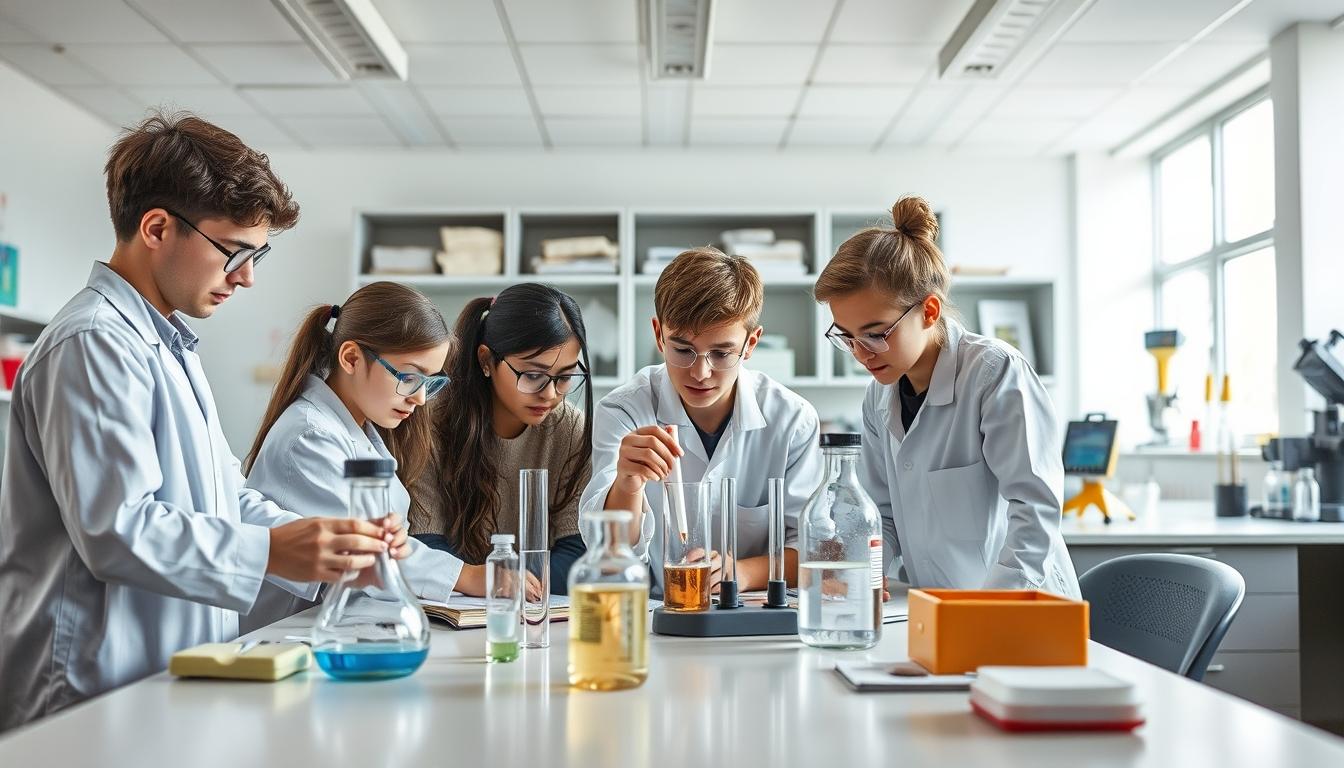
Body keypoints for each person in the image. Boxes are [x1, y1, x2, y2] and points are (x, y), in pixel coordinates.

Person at [0, 112, 405, 731]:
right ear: (157, 227)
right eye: (234, 252)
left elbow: (225, 497)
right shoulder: (92, 342)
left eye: (257, 256)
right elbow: (117, 528)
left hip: (165, 678)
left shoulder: (168, 345)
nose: (245, 277)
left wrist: (324, 540)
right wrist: (273, 551)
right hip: (91, 688)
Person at [813, 196, 1079, 597]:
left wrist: (986, 613)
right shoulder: (879, 397)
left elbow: (1034, 514)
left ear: (930, 311)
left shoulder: (994, 373)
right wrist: (867, 573)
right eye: (846, 336)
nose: (860, 353)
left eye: (875, 333)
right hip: (936, 608)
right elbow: (881, 514)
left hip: (1017, 606)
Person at [580, 247, 821, 593]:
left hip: (754, 615)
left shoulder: (793, 420)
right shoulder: (623, 410)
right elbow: (606, 555)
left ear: (750, 344)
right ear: (659, 335)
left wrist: (738, 572)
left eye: (721, 353)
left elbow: (813, 549)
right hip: (660, 613)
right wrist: (626, 485)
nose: (700, 372)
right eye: (683, 350)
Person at [241, 281, 476, 632]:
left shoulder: (356, 430)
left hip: (336, 625)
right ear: (351, 358)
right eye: (410, 377)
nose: (421, 399)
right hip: (288, 633)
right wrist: (466, 576)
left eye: (430, 383)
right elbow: (363, 556)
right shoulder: (310, 436)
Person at [411, 283, 593, 595]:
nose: (550, 395)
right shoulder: (430, 422)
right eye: (532, 375)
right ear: (486, 360)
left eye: (564, 378)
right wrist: (487, 580)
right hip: (450, 616)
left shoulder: (570, 429)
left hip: (538, 616)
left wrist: (506, 580)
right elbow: (426, 549)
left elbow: (578, 555)